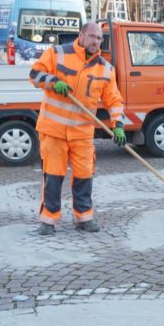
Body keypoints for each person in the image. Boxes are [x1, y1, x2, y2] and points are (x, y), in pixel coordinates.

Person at [29, 22, 126, 235]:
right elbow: (35, 74)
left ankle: (83, 218)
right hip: (54, 130)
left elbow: (114, 100)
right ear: (81, 35)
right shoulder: (57, 54)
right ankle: (48, 221)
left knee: (84, 175)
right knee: (53, 176)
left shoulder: (106, 69)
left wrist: (118, 125)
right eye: (92, 36)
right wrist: (52, 81)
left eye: (99, 38)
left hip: (82, 132)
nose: (95, 42)